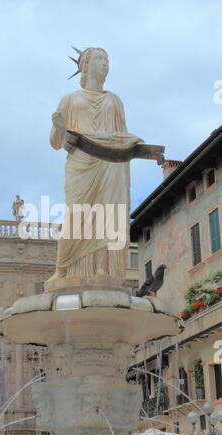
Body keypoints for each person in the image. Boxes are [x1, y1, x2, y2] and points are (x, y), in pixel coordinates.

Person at [45, 48, 144, 290]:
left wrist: (133, 142)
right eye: (99, 59)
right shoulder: (71, 100)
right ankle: (62, 270)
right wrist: (58, 127)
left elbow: (120, 135)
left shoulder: (114, 101)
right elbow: (56, 142)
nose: (105, 64)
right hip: (81, 163)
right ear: (85, 66)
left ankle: (103, 270)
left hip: (110, 164)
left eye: (107, 60)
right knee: (76, 216)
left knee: (106, 214)